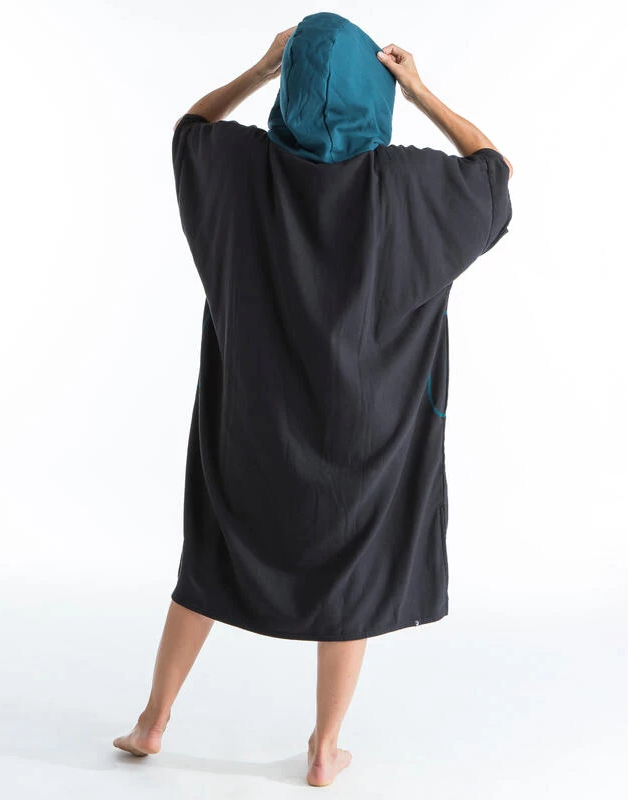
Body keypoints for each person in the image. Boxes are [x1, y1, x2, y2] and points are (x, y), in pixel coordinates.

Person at [114, 12, 513, 788]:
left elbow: (189, 129)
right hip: (367, 432)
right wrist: (422, 92)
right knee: (350, 573)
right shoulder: (408, 185)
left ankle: (153, 721)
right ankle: (325, 750)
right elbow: (494, 172)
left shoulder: (236, 168)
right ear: (377, 92)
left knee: (213, 557)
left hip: (251, 428)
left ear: (291, 87)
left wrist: (258, 69)